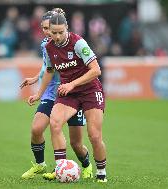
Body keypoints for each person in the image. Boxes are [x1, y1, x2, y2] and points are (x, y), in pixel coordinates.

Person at [28, 12, 107, 182]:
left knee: (93, 136)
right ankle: (60, 169)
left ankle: (101, 174)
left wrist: (72, 84)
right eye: (53, 32)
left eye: (60, 32)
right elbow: (49, 70)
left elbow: (96, 70)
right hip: (68, 92)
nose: (56, 36)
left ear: (67, 29)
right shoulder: (49, 47)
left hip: (89, 91)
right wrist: (39, 94)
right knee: (55, 123)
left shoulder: (78, 43)